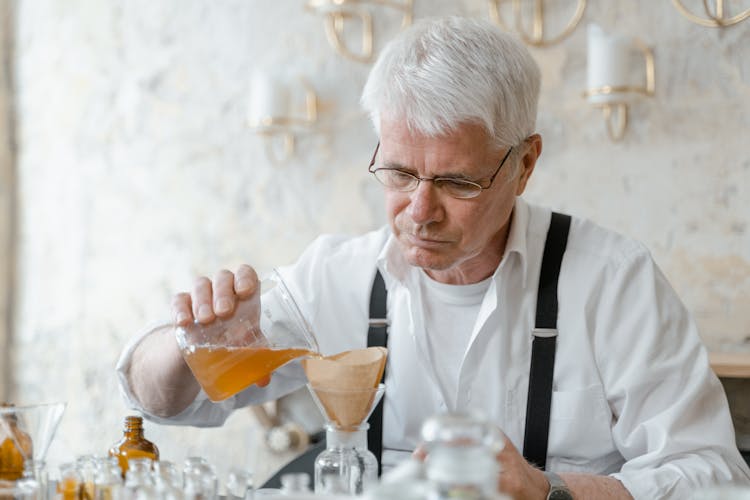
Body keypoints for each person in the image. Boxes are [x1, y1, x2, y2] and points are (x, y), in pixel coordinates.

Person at [117, 16, 750, 500]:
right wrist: (185, 343)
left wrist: (548, 490)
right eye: (397, 173)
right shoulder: (335, 277)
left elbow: (713, 475)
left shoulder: (615, 283)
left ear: (525, 163)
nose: (419, 212)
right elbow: (158, 401)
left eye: (457, 182)